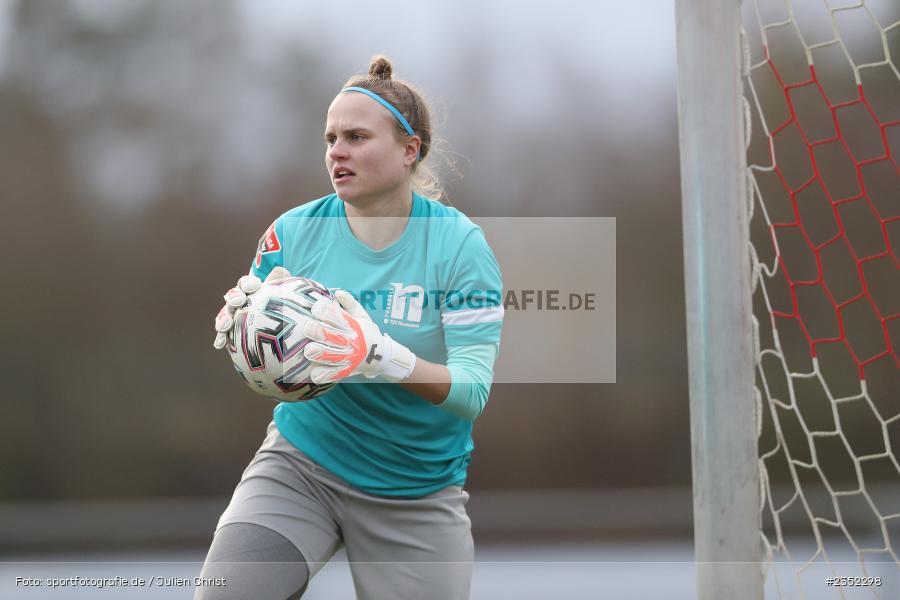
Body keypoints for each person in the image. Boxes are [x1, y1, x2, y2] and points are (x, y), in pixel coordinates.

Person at [197, 56, 504, 600]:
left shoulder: (460, 247)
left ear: (409, 150)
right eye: (330, 138)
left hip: (415, 491)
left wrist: (379, 354)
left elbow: (471, 392)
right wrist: (247, 336)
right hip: (301, 467)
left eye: (357, 137)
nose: (337, 151)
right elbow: (270, 356)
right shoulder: (292, 233)